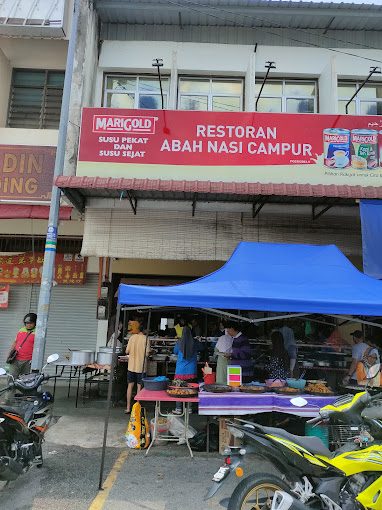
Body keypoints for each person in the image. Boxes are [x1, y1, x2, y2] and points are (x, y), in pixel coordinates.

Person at [5, 313, 37, 402]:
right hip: (16, 359)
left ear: (35, 323)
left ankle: (26, 399)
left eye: (31, 323)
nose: (28, 325)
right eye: (27, 323)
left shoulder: (37, 332)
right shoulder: (21, 330)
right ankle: (8, 399)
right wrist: (10, 353)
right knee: (11, 378)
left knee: (27, 381)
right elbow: (15, 342)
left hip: (28, 360)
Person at [173, 325, 200, 415]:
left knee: (179, 388)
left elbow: (175, 352)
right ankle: (189, 408)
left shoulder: (179, 342)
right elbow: (202, 348)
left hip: (180, 370)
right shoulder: (195, 342)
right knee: (190, 389)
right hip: (191, 370)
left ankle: (178, 408)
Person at [125, 324, 150, 414]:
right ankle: (137, 408)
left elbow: (127, 351)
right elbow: (147, 354)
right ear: (144, 330)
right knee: (139, 386)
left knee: (130, 386)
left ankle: (128, 408)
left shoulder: (132, 338)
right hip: (141, 367)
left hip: (131, 365)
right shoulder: (146, 339)